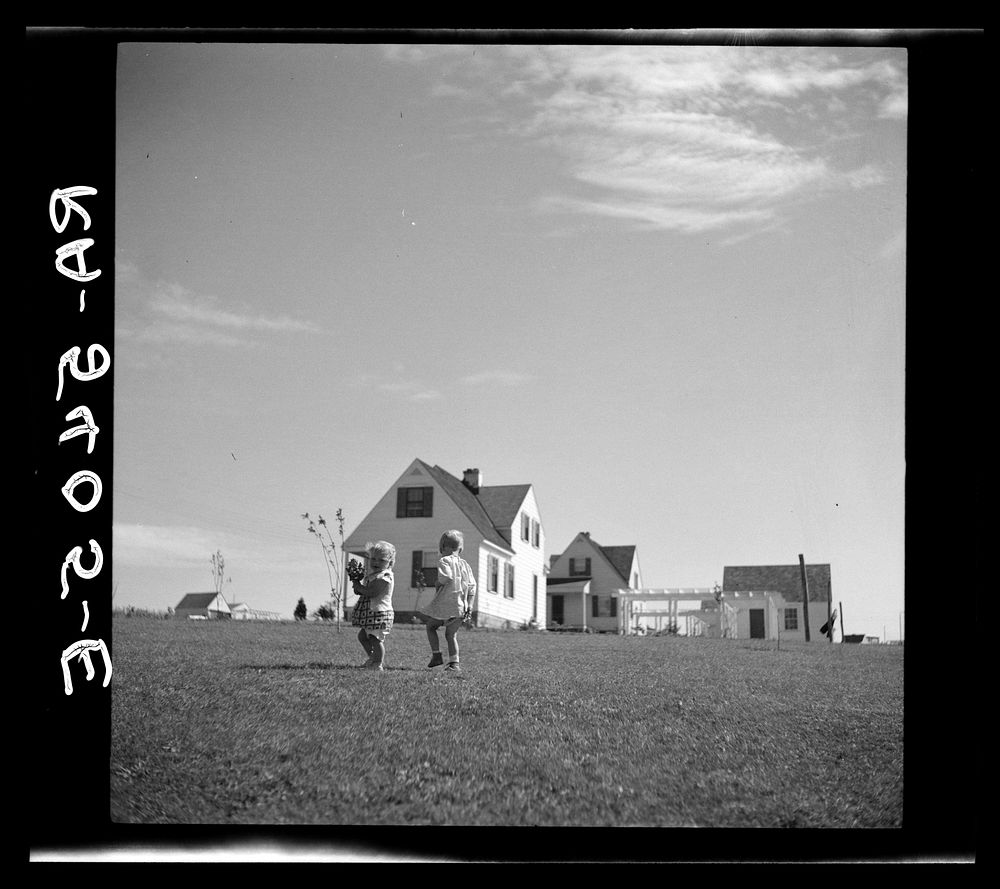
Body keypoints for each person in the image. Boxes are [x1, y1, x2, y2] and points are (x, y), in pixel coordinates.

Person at [419, 530, 476, 672]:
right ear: (460, 549)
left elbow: (446, 578)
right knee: (451, 634)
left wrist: (438, 583)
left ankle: (437, 655)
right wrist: (470, 603)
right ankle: (454, 663)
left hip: (446, 604)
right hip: (461, 606)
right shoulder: (466, 565)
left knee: (431, 626)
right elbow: (472, 586)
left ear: (443, 547)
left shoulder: (444, 560)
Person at [350, 540, 396, 671]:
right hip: (372, 612)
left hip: (380, 613)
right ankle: (373, 658)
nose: (376, 562)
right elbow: (362, 591)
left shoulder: (385, 576)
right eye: (373, 559)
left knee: (375, 638)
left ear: (390, 562)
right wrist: (356, 583)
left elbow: (372, 592)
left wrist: (360, 587)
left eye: (381, 560)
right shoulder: (372, 576)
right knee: (363, 636)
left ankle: (378, 663)